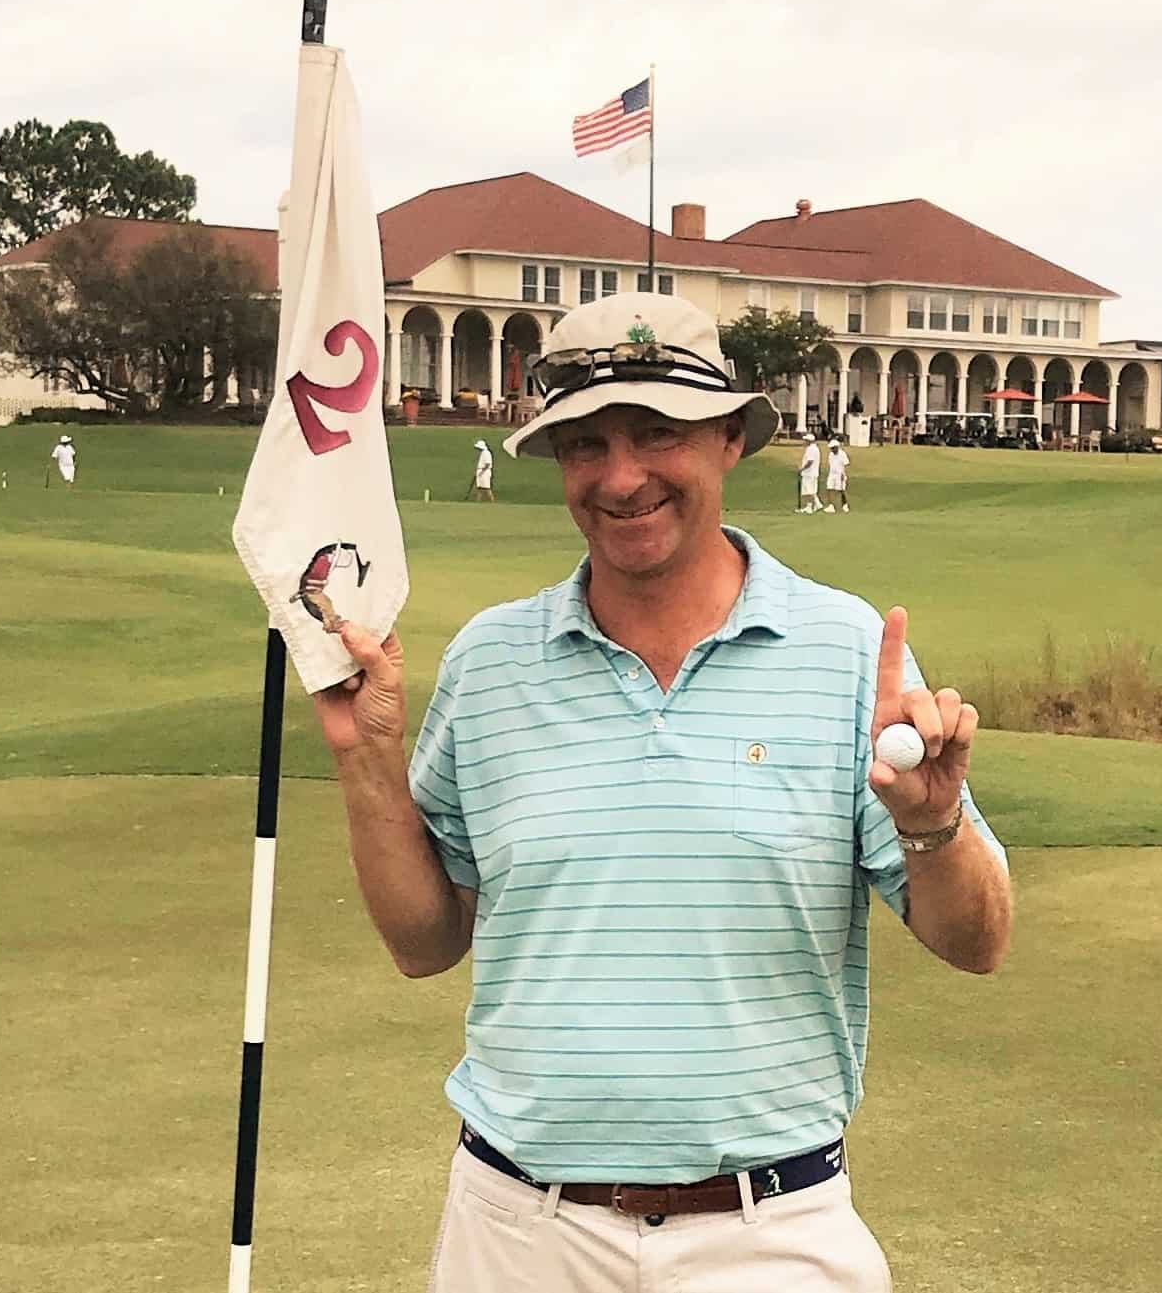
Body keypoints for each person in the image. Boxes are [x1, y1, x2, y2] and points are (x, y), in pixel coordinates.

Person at [308, 292, 1013, 1293]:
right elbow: (425, 946)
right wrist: (366, 756)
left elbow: (975, 944)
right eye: (585, 443)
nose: (620, 475)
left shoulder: (848, 650)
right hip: (518, 1230)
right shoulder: (490, 661)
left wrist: (934, 825)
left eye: (655, 434)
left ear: (729, 439)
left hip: (769, 1232)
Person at [796, 432, 822, 514]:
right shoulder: (816, 448)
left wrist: (802, 469)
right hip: (813, 473)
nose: (805, 442)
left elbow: (810, 461)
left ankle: (809, 507)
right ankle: (817, 504)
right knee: (812, 490)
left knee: (809, 490)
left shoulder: (811, 449)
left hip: (809, 473)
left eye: (806, 440)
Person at [825, 437, 851, 513]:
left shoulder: (842, 454)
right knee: (829, 488)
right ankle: (831, 506)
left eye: (833, 448)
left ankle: (845, 504)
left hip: (840, 474)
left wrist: (844, 474)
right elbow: (830, 464)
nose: (831, 450)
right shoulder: (831, 454)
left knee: (841, 490)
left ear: (837, 447)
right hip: (832, 474)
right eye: (831, 448)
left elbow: (846, 465)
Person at [469, 438, 495, 502]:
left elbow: (487, 464)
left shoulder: (486, 453)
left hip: (485, 472)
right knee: (479, 488)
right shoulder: (483, 453)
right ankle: (477, 502)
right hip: (481, 471)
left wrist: (481, 472)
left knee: (487, 488)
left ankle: (492, 502)